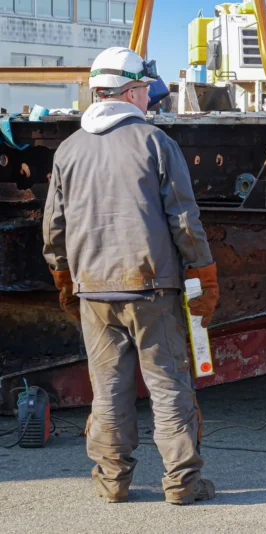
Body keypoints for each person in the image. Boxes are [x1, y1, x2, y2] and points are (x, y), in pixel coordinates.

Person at [42, 47, 219, 504]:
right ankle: (183, 482)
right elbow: (184, 219)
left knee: (108, 390)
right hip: (151, 286)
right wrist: (205, 274)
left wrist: (64, 279)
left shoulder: (68, 149)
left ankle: (112, 481)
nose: (149, 101)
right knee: (167, 386)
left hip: (93, 291)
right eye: (146, 91)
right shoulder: (155, 142)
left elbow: (54, 228)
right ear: (133, 90)